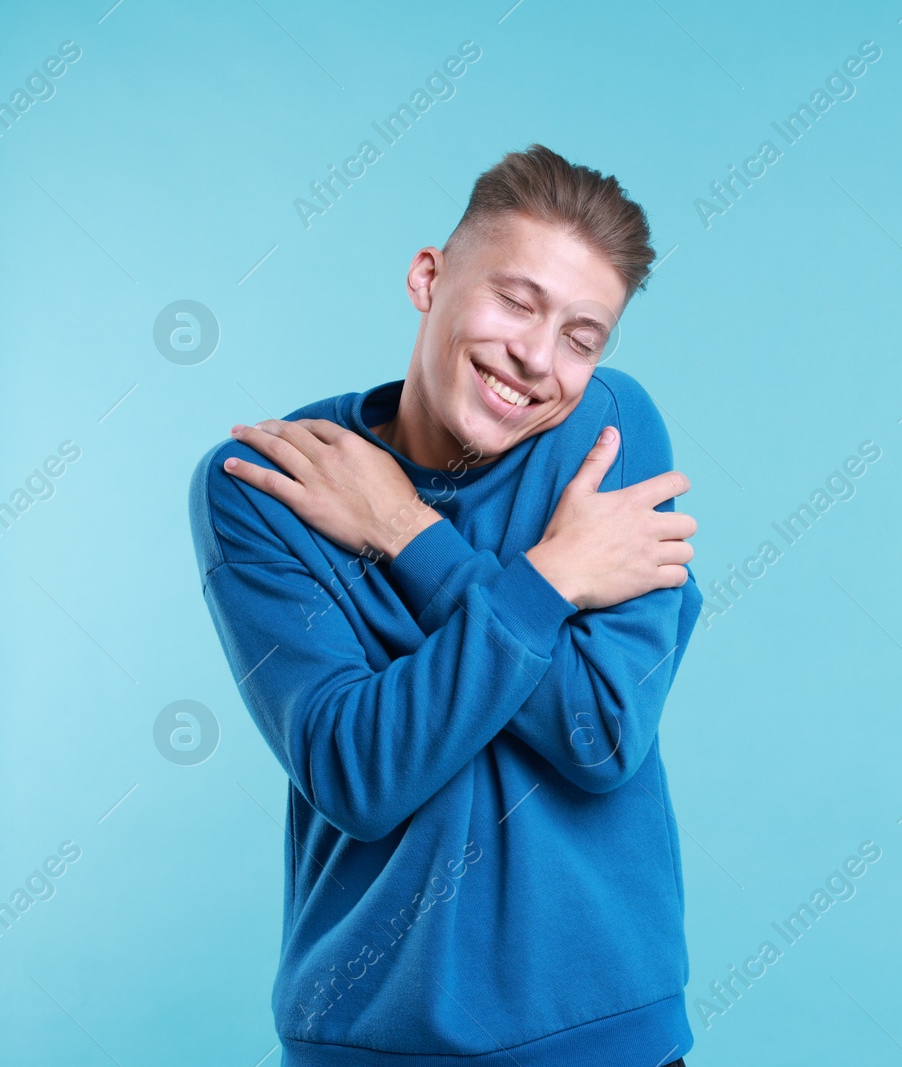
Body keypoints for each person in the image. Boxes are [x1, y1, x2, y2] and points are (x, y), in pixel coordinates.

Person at [186, 145, 700, 1067]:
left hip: (609, 1040)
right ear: (430, 277)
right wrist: (551, 580)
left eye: (582, 337)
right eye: (516, 300)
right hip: (374, 1040)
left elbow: (601, 737)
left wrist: (405, 530)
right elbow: (360, 775)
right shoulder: (270, 488)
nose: (537, 358)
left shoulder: (608, 432)